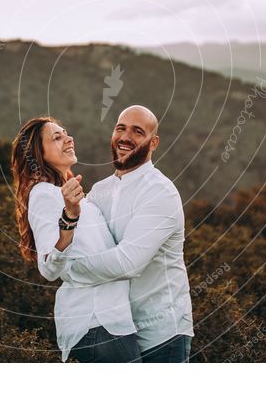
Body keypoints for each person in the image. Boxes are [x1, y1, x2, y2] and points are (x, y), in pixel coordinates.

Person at [60, 105, 194, 363]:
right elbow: (85, 242)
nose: (125, 137)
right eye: (120, 128)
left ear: (153, 143)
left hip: (162, 332)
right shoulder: (100, 190)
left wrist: (68, 269)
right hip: (116, 330)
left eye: (137, 131)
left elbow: (128, 262)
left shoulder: (160, 192)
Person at [11, 116, 140, 362]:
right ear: (38, 154)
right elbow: (49, 267)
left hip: (110, 322)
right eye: (56, 137)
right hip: (97, 322)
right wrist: (69, 217)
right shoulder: (44, 194)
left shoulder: (69, 194)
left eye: (65, 133)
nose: (68, 138)